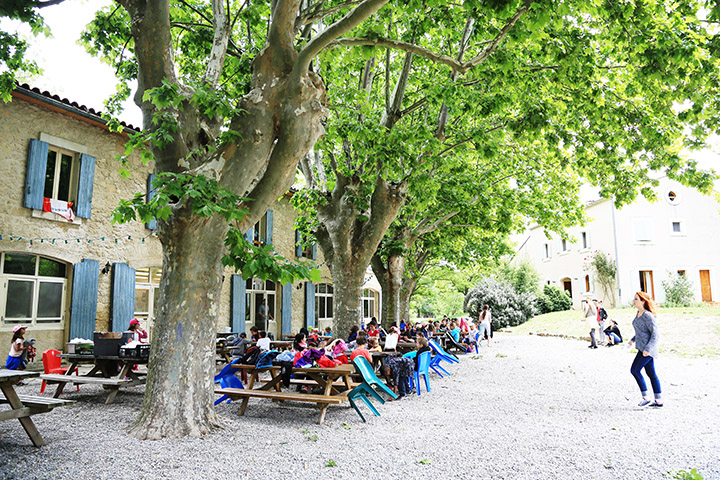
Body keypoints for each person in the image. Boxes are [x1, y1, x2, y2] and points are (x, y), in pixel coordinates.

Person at [628, 292, 663, 407]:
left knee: (634, 370)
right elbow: (641, 332)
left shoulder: (648, 315)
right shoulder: (638, 313)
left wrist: (648, 349)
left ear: (643, 301)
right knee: (651, 374)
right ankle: (658, 400)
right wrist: (632, 340)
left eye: (636, 299)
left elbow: (655, 335)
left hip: (648, 350)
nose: (633, 301)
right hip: (641, 348)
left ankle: (646, 398)